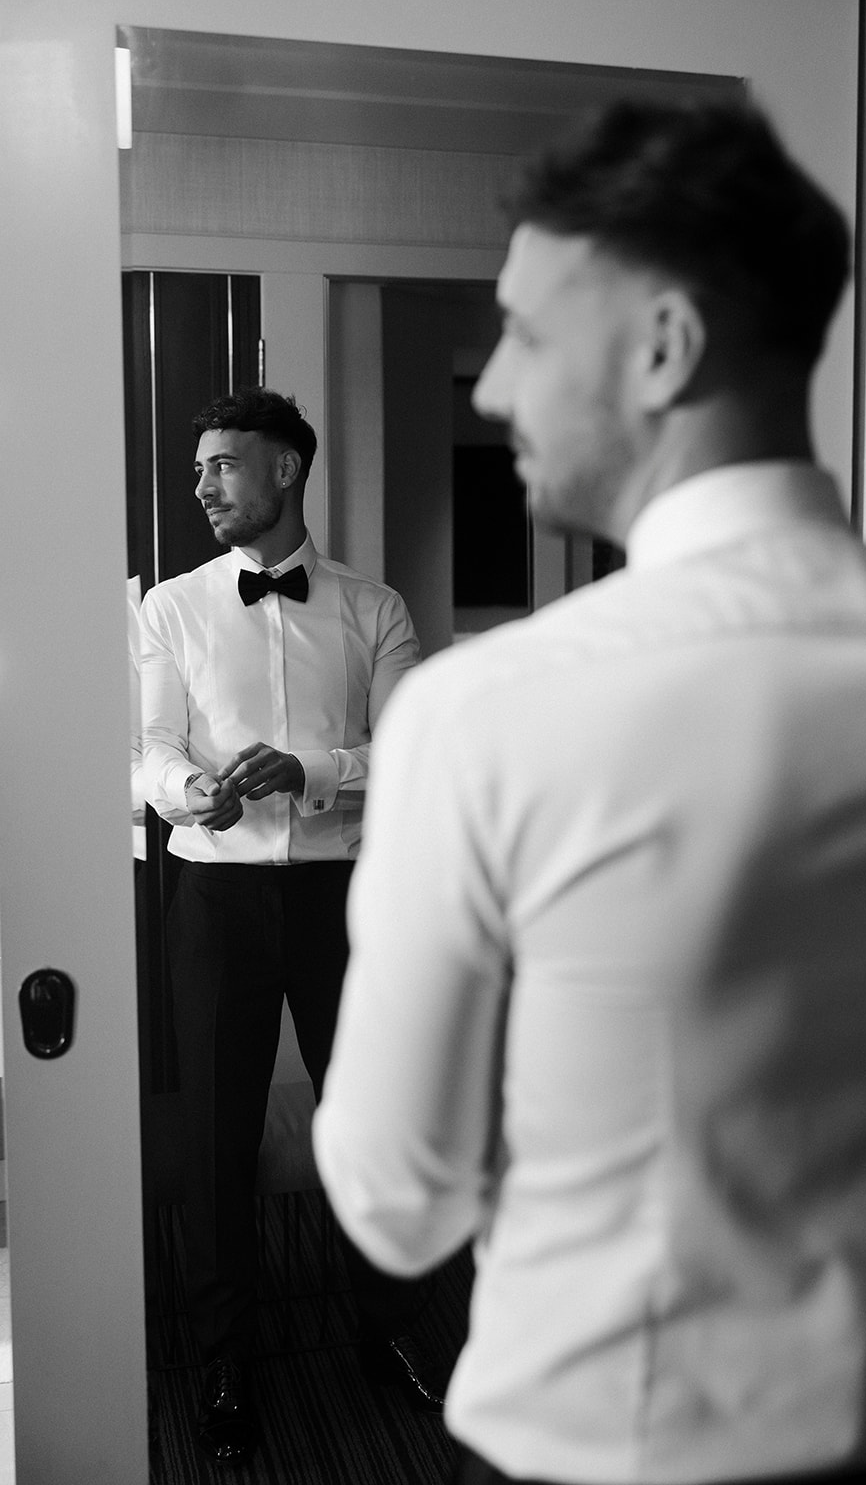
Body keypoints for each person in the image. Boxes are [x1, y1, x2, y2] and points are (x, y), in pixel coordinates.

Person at [313, 98, 866, 1485]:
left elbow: (393, 1203)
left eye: (525, 334)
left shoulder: (486, 716)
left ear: (661, 347)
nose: (487, 389)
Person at [140, 386, 441, 1469]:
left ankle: (393, 1328)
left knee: (371, 1118)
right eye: (199, 468)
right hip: (212, 896)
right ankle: (225, 1359)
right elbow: (150, 746)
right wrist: (189, 791)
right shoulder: (169, 608)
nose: (203, 484)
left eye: (223, 464)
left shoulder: (375, 608)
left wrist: (309, 770)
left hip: (342, 897)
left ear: (284, 470)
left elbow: (409, 749)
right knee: (216, 1135)